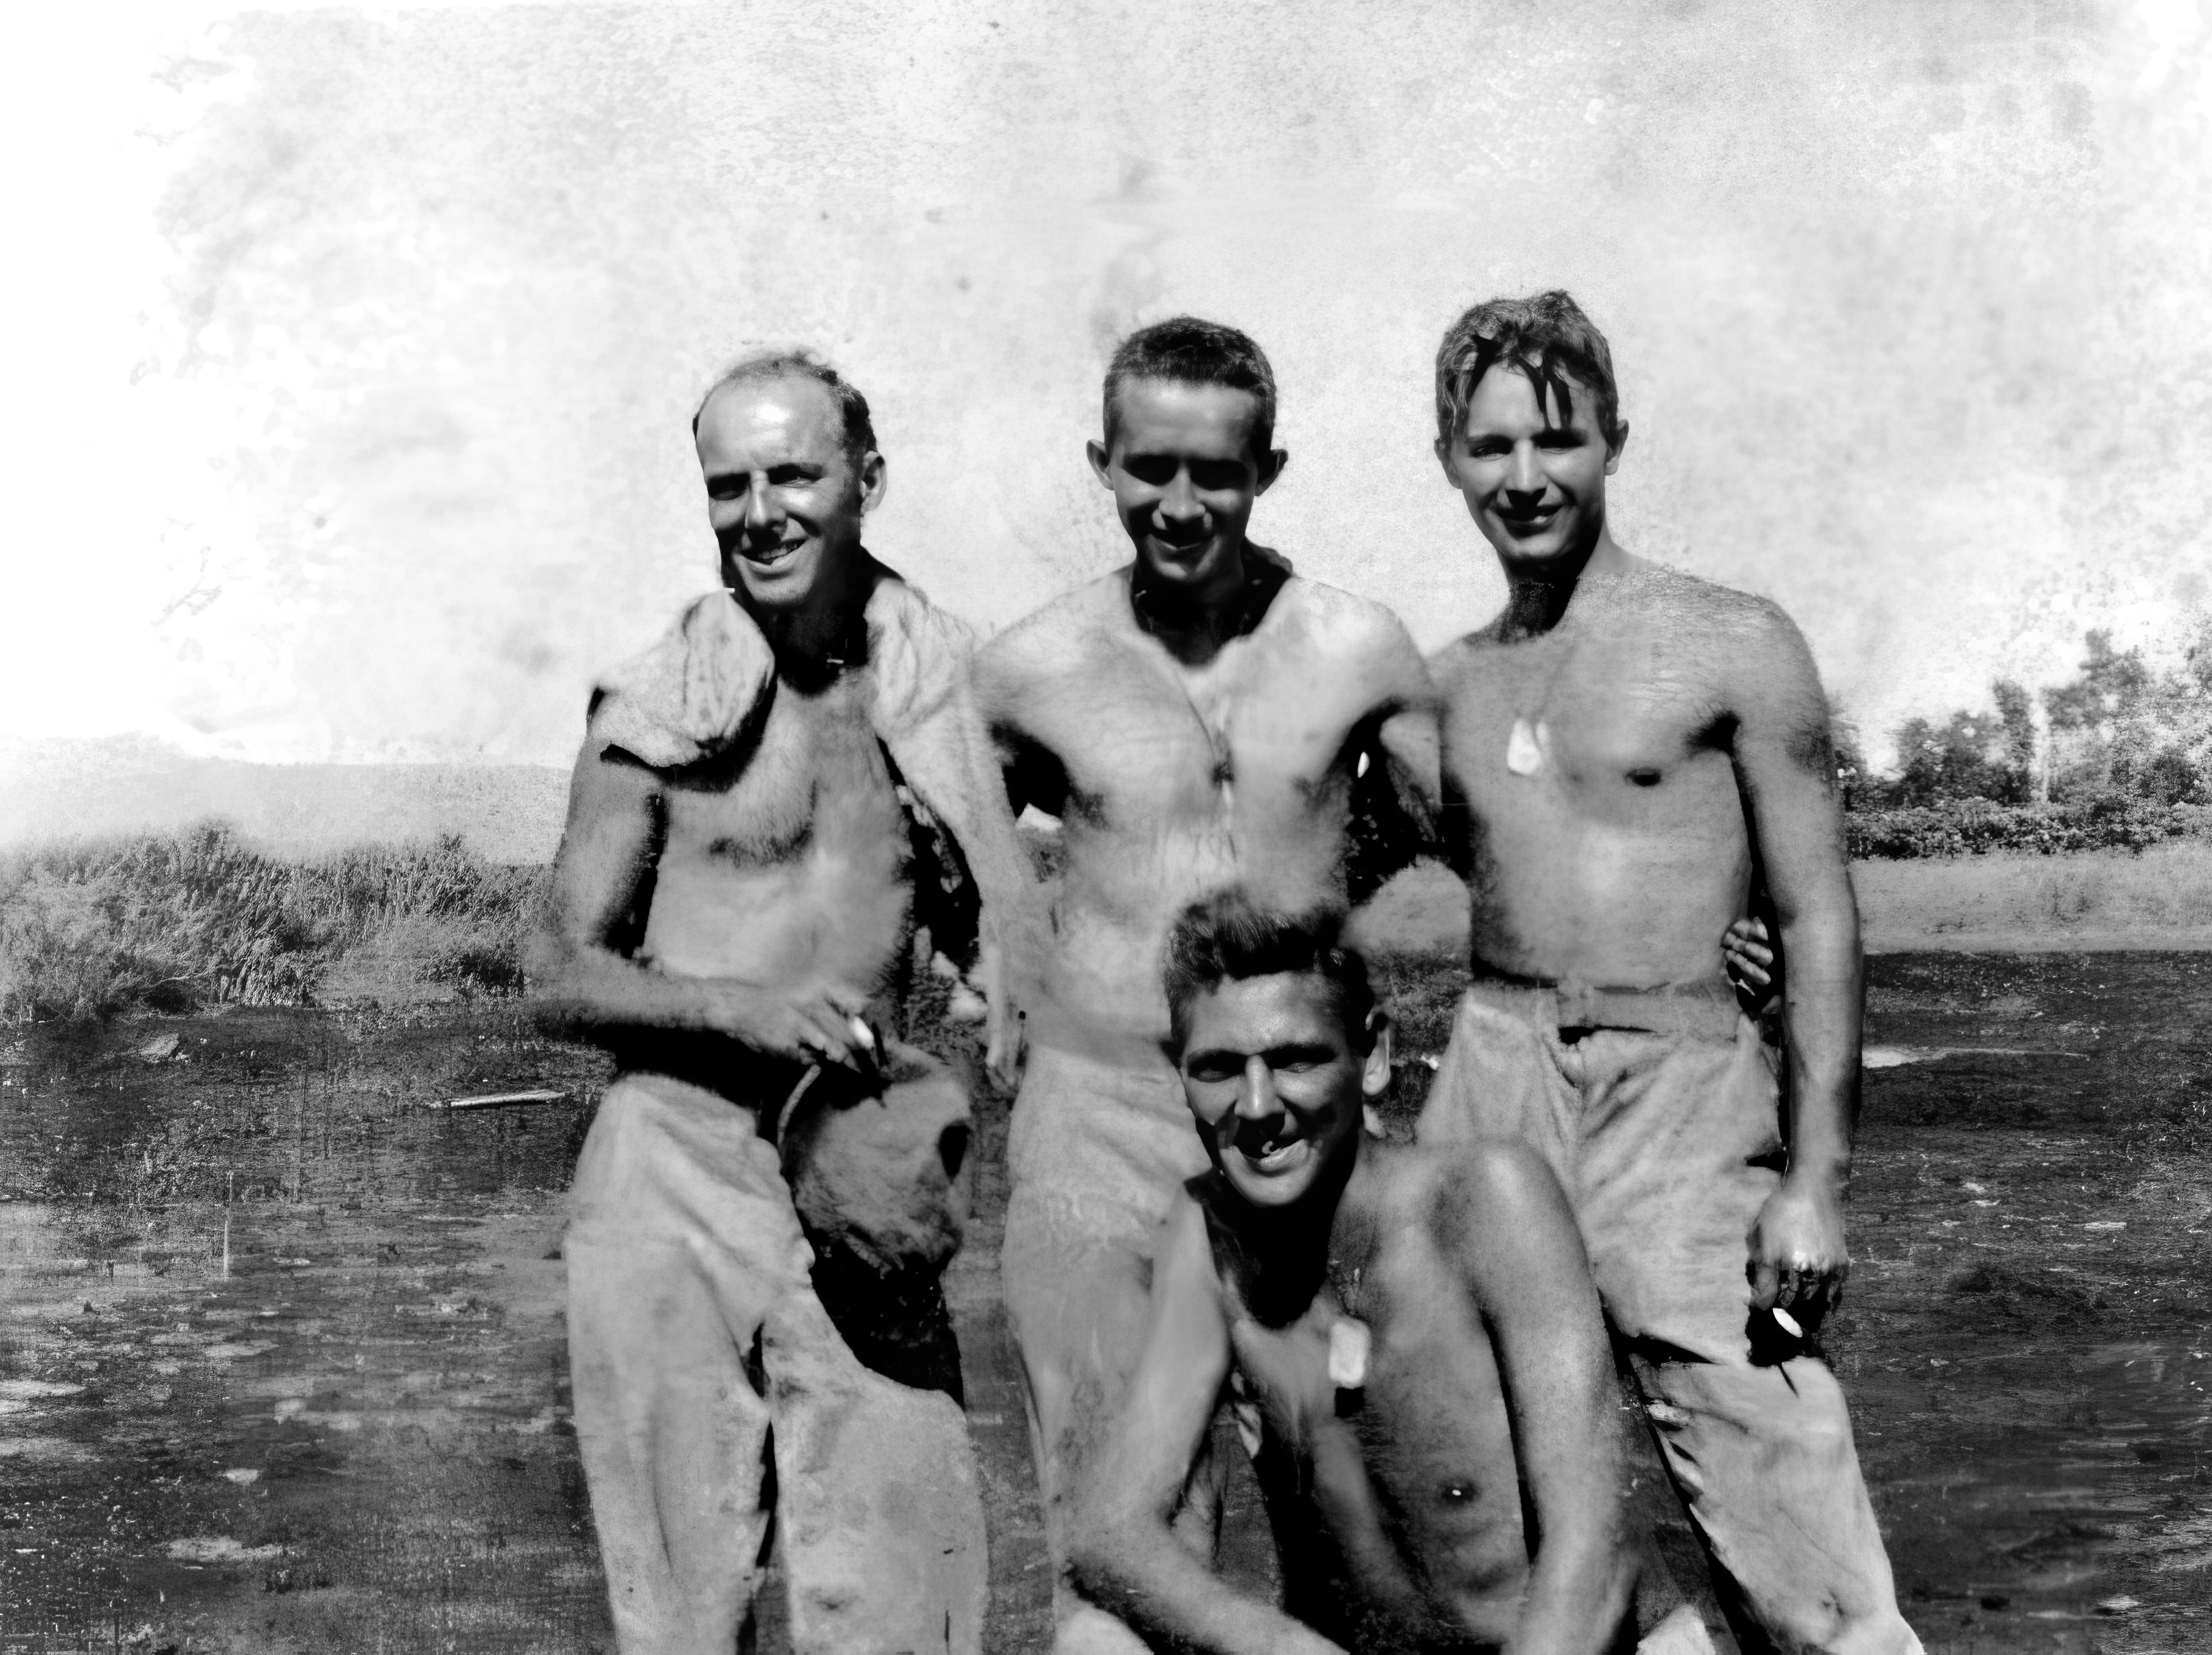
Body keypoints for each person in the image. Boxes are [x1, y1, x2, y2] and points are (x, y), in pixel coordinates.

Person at [1416, 291, 1921, 1654]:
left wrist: (1816, 1178)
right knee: (1495, 1511)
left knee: (1797, 1535)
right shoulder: (1439, 686)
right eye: (1492, 446)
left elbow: (1818, 914)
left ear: (1614, 441)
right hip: (1496, 1077)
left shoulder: (1731, 640)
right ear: (1449, 459)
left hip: (1685, 1098)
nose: (1525, 476)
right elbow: (1310, 873)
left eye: (1558, 439)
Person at [530, 350, 1026, 1654]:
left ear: (867, 478)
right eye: (728, 485)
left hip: (859, 1176)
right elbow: (557, 972)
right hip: (669, 1170)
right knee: (682, 1611)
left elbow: (975, 909)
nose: (760, 513)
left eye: (793, 475)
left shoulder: (939, 689)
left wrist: (996, 973)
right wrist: (739, 1008)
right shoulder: (658, 704)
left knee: (911, 1599)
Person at [973, 317, 1442, 1652]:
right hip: (1100, 1114)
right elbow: (934, 849)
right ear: (1101, 464)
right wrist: (997, 946)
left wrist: (1314, 907)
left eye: (1218, 473)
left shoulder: (1354, 644)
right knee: (1128, 1534)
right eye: (1152, 468)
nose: (1183, 504)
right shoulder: (1030, 666)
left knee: (1344, 1495)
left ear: (1269, 468)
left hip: (1290, 1110)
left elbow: (1455, 815)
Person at [1070, 891, 1717, 1655]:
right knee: (1092, 1639)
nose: (1256, 1106)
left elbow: (1595, 1559)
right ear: (1177, 1073)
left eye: (1293, 1059)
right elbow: (1110, 1529)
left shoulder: (1486, 1200)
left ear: (1372, 1056)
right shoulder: (1209, 1233)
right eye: (1218, 1068)